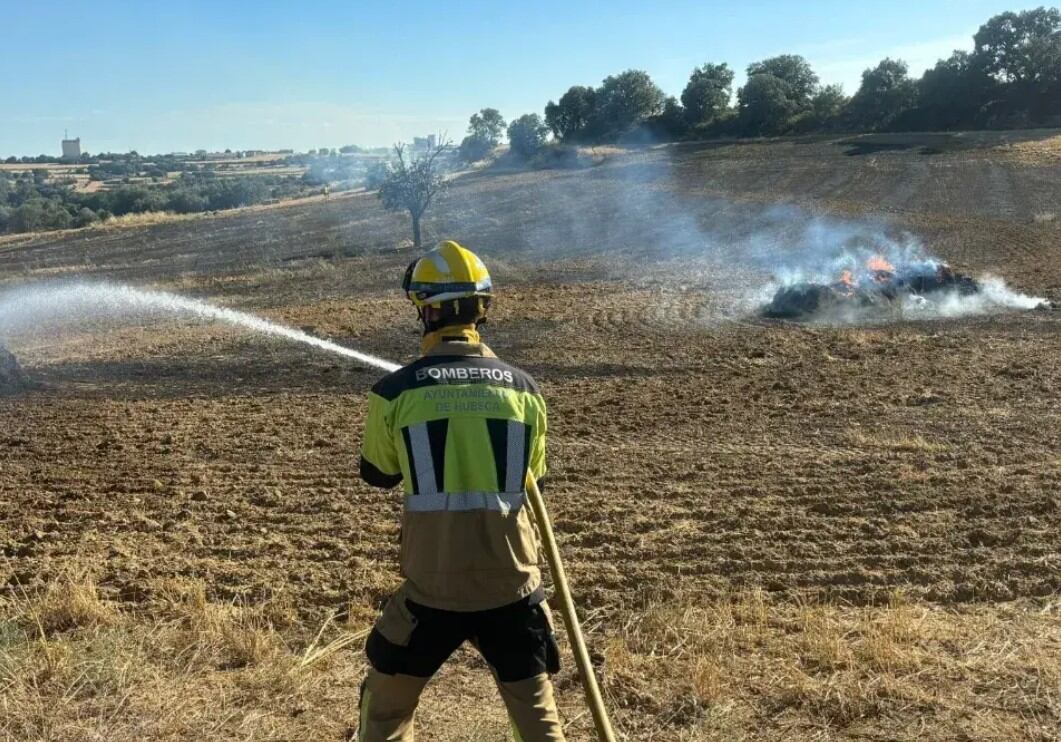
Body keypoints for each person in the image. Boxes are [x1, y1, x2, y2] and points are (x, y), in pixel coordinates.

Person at [357, 240, 565, 741]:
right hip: (513, 583)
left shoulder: (395, 392)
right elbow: (534, 477)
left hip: (432, 588)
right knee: (537, 718)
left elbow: (378, 473)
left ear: (426, 310)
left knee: (384, 710)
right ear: (482, 308)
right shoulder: (525, 390)